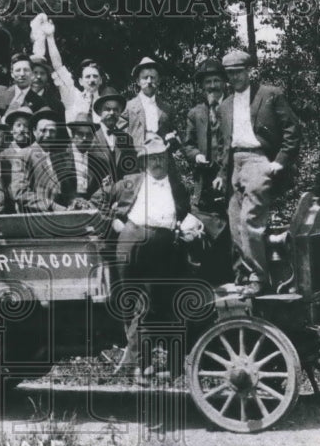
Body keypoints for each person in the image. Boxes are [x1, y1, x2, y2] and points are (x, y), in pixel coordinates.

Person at [94, 137, 194, 385]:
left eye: (161, 157)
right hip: (132, 242)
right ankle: (140, 367)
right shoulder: (131, 182)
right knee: (132, 305)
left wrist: (185, 226)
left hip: (162, 247)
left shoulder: (177, 186)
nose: (157, 162)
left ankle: (148, 365)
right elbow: (97, 201)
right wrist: (112, 222)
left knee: (153, 306)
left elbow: (184, 213)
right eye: (152, 158)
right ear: (144, 162)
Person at [219, 49, 302, 296]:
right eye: (230, 74)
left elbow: (292, 130)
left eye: (238, 72)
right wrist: (222, 175)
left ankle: (259, 278)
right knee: (235, 223)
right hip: (236, 163)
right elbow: (225, 145)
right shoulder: (225, 105)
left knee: (250, 220)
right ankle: (246, 274)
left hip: (259, 160)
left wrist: (280, 161)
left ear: (249, 71)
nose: (234, 78)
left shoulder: (269, 95)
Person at [182, 58, 234, 285]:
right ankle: (210, 288)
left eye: (216, 81)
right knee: (201, 235)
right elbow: (187, 144)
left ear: (224, 83)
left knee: (232, 234)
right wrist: (196, 156)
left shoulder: (234, 108)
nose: (212, 86)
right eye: (208, 82)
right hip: (204, 184)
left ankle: (235, 285)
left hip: (231, 180)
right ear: (202, 86)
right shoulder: (196, 113)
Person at [12, 109, 85, 213]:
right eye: (43, 131)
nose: (48, 135)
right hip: (35, 219)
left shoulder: (59, 157)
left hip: (61, 218)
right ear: (34, 131)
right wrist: (53, 207)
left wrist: (76, 202)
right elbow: (20, 193)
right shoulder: (23, 156)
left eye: (52, 131)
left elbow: (68, 191)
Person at [125, 56, 179, 152]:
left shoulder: (167, 109)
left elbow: (177, 134)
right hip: (138, 162)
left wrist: (173, 140)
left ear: (158, 81)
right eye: (145, 78)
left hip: (163, 161)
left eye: (153, 78)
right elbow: (120, 137)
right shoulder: (128, 108)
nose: (149, 81)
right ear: (138, 81)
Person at [89, 90, 139, 186]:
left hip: (121, 194)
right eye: (107, 109)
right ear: (99, 112)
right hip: (96, 194)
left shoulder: (127, 139)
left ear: (120, 112)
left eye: (116, 109)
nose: (112, 113)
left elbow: (133, 171)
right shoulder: (90, 137)